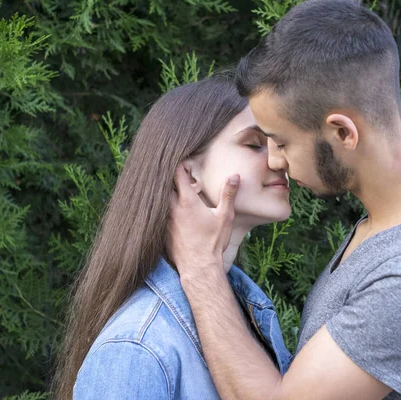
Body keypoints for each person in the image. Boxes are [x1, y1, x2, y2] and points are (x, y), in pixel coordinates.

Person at [167, 0, 401, 399]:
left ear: (343, 133)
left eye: (282, 142)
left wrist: (200, 271)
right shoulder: (386, 230)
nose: (274, 161)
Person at [51, 73, 293, 400]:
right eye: (254, 144)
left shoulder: (250, 312)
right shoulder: (137, 349)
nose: (280, 160)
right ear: (188, 174)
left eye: (278, 144)